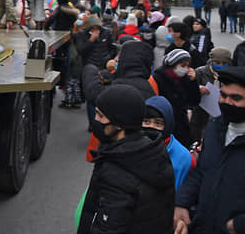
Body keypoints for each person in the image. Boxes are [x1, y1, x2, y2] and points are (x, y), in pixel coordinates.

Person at [78, 84, 174, 233]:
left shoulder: (117, 173)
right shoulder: (150, 150)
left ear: (119, 124)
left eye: (100, 116)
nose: (95, 120)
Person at [174, 66, 245, 234]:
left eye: (236, 98)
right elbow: (201, 171)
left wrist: (238, 225)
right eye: (223, 95)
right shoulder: (215, 127)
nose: (227, 102)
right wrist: (181, 203)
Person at [152, 49, 202, 148]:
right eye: (182, 65)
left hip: (181, 124)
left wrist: (193, 82)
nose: (185, 69)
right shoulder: (159, 78)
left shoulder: (185, 79)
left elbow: (194, 100)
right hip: (166, 125)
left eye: (188, 66)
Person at [143, 96, 193, 190]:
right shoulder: (132, 146)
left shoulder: (183, 157)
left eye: (158, 123)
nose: (151, 126)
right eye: (146, 121)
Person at [190, 46, 232, 144]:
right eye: (217, 63)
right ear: (211, 61)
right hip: (201, 117)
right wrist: (198, 89)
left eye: (224, 63)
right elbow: (189, 94)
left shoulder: (231, 75)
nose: (221, 65)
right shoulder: (200, 72)